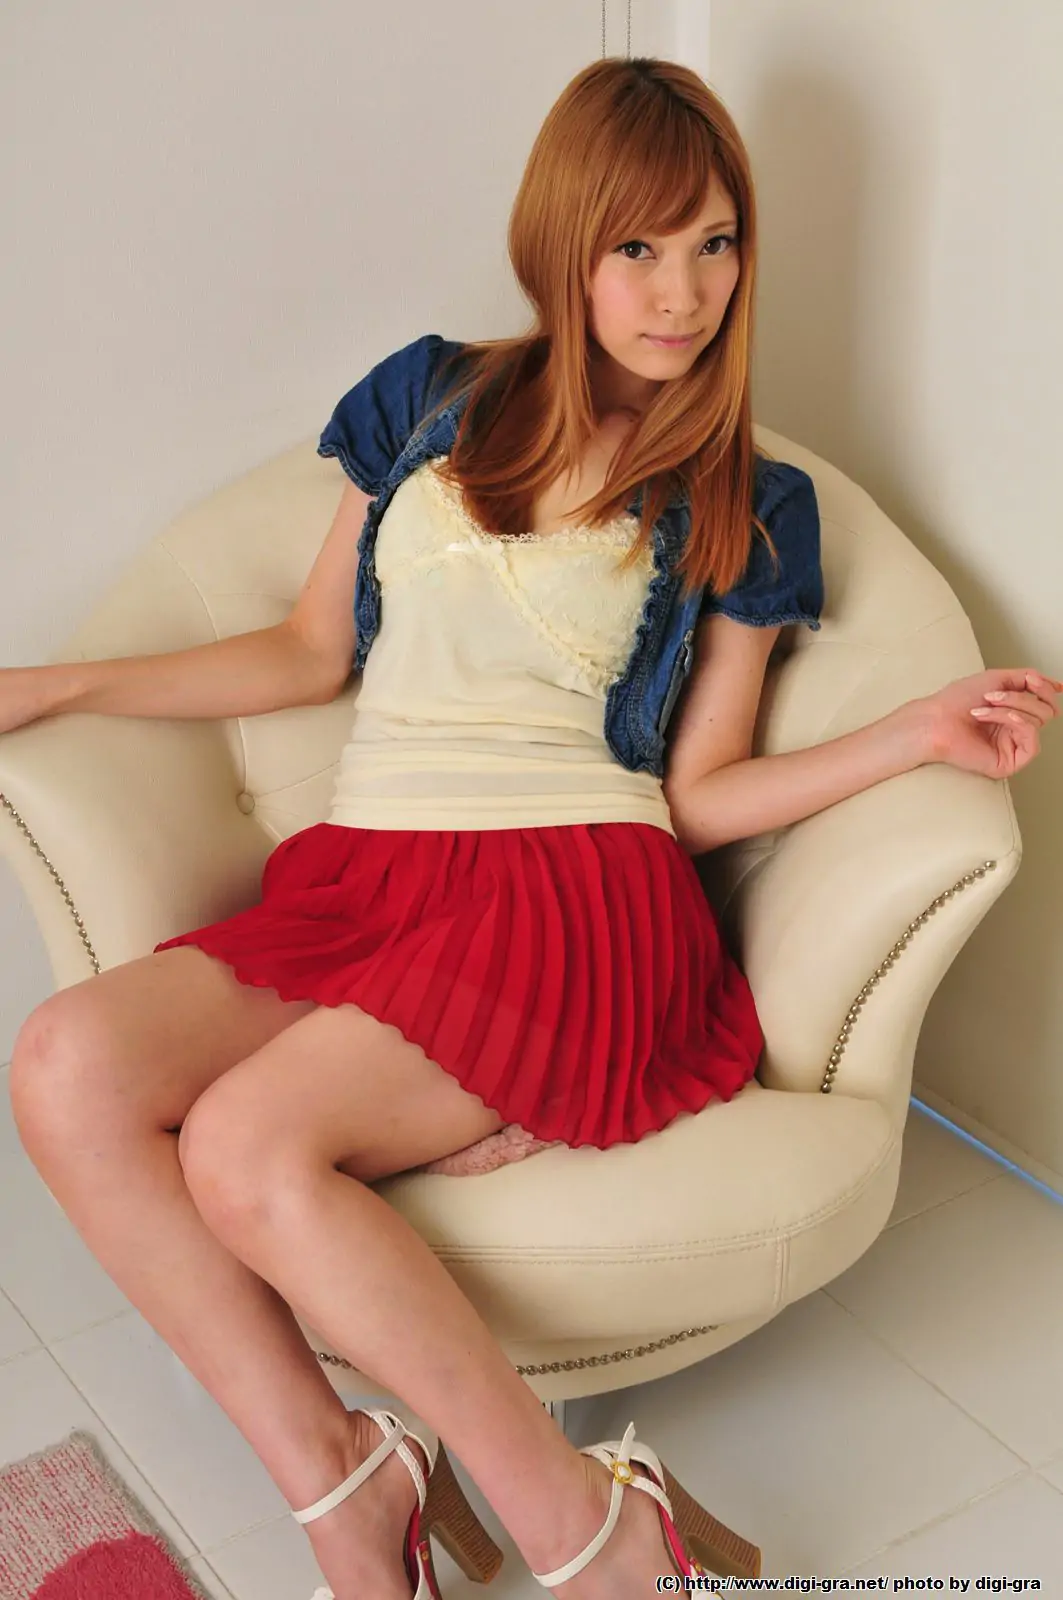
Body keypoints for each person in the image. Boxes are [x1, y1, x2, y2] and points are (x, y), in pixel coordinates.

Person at [5, 55, 1060, 1600]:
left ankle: (580, 1533)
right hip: (374, 876)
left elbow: (698, 792)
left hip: (572, 892)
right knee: (62, 1065)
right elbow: (307, 651)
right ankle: (351, 1481)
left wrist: (908, 732)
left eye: (713, 243)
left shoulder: (744, 498)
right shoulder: (425, 398)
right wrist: (52, 685)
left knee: (246, 1143)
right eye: (636, 245)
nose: (681, 291)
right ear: (558, 241)